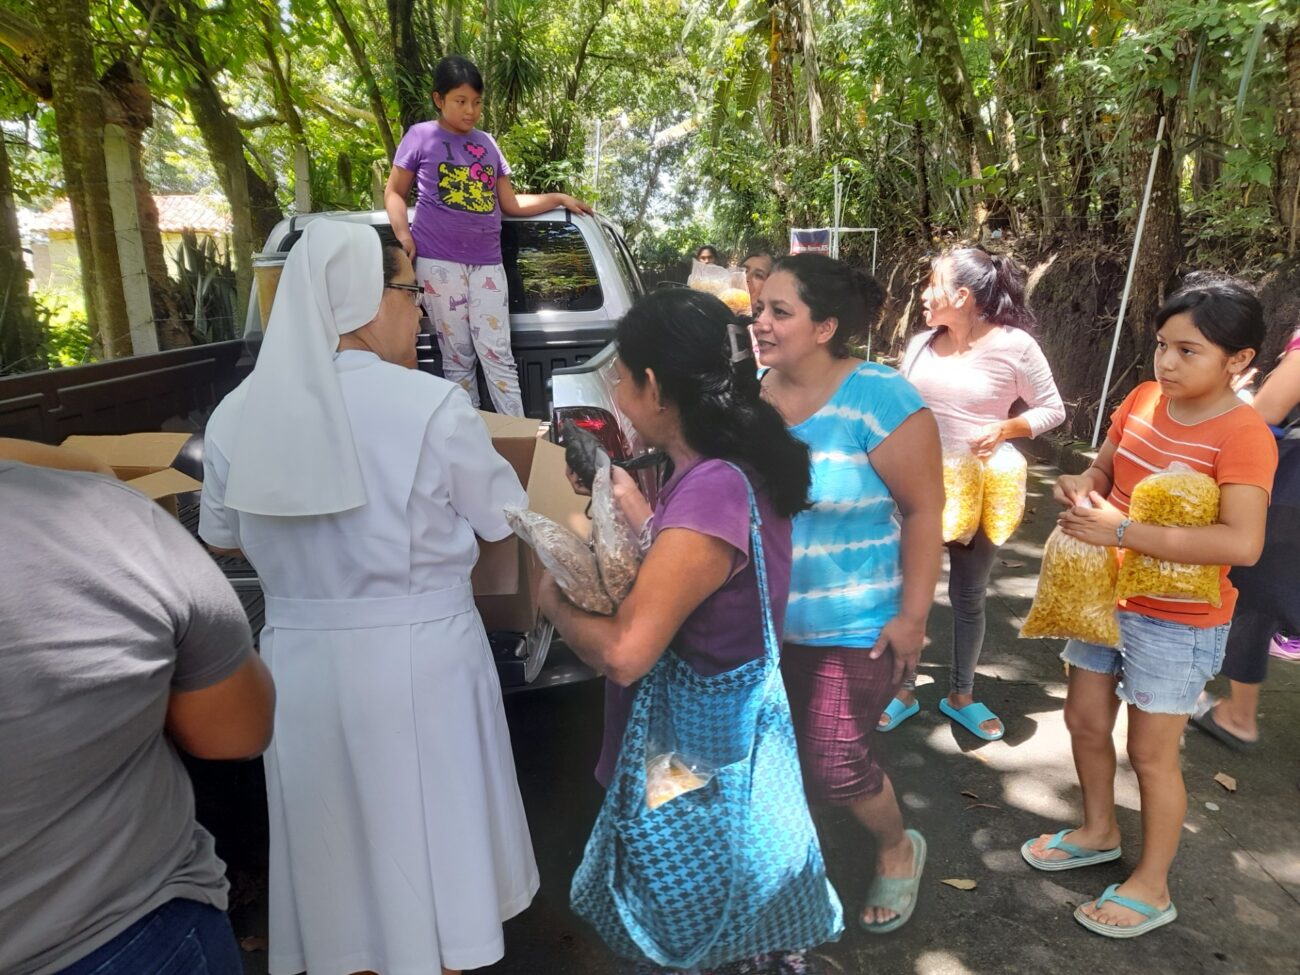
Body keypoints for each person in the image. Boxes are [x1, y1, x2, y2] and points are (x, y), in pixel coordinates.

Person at [200, 220, 537, 975]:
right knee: (436, 870)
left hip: (301, 670)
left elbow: (222, 536)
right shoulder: (430, 406)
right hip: (421, 665)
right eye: (408, 291)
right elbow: (501, 520)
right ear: (356, 297)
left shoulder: (234, 414)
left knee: (336, 872)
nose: (419, 311)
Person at [541, 288, 823, 974]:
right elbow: (700, 570)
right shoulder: (718, 467)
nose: (614, 389)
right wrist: (641, 513)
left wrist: (547, 595)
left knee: (676, 891)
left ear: (654, 386)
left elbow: (627, 652)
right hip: (721, 730)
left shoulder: (712, 487)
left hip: (688, 746)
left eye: (621, 375)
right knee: (712, 872)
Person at [1023, 280, 1277, 938]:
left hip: (1179, 619)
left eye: (1188, 350)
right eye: (1162, 345)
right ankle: (1098, 828)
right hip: (1104, 594)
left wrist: (1122, 531)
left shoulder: (1246, 435)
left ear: (1238, 360)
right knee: (1082, 719)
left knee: (1151, 752)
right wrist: (1085, 484)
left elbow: (1242, 543)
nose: (1166, 362)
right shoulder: (1140, 399)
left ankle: (1152, 882)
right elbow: (1106, 472)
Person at [0, 445, 275, 975]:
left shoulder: (231, 421)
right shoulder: (100, 518)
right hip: (119, 931)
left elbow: (220, 537)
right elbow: (236, 734)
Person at [752, 254, 944, 934]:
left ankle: (897, 845)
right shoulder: (753, 395)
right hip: (768, 623)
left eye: (781, 311)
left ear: (826, 325)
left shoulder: (879, 395)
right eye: (760, 308)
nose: (761, 322)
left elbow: (924, 511)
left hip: (855, 621)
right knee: (783, 756)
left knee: (835, 763)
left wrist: (912, 617)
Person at [884, 247, 1065, 740]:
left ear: (961, 296)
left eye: (932, 283)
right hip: (916, 487)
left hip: (979, 488)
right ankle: (902, 689)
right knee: (910, 591)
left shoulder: (1016, 346)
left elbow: (1052, 409)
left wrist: (1007, 427)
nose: (923, 293)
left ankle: (960, 693)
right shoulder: (921, 344)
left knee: (968, 594)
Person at [385, 55, 590, 416]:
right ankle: (470, 442)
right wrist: (404, 236)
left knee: (498, 356)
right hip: (438, 262)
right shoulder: (420, 136)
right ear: (438, 99)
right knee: (457, 360)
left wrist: (557, 198)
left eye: (477, 103)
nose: (470, 111)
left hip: (487, 264)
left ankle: (519, 438)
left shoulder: (488, 144)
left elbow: (509, 203)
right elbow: (394, 193)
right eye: (460, 102)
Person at [1192, 322, 1300, 748]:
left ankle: (1238, 715)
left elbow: (1266, 412)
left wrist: (1228, 397)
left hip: (1293, 499)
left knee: (1250, 590)